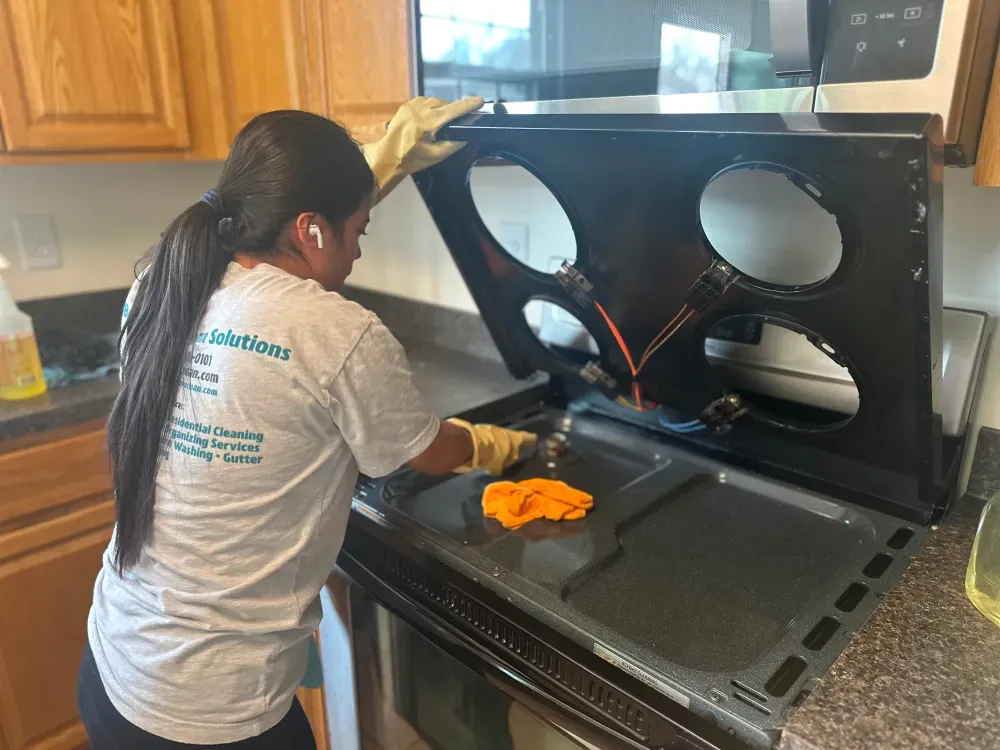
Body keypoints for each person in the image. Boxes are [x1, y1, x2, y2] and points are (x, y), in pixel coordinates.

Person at [78, 97, 537, 749]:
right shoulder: (335, 331)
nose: (355, 254)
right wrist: (497, 444)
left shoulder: (161, 278)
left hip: (113, 668)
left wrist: (381, 158)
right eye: (360, 231)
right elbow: (427, 452)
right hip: (212, 717)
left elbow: (281, 217)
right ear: (313, 230)